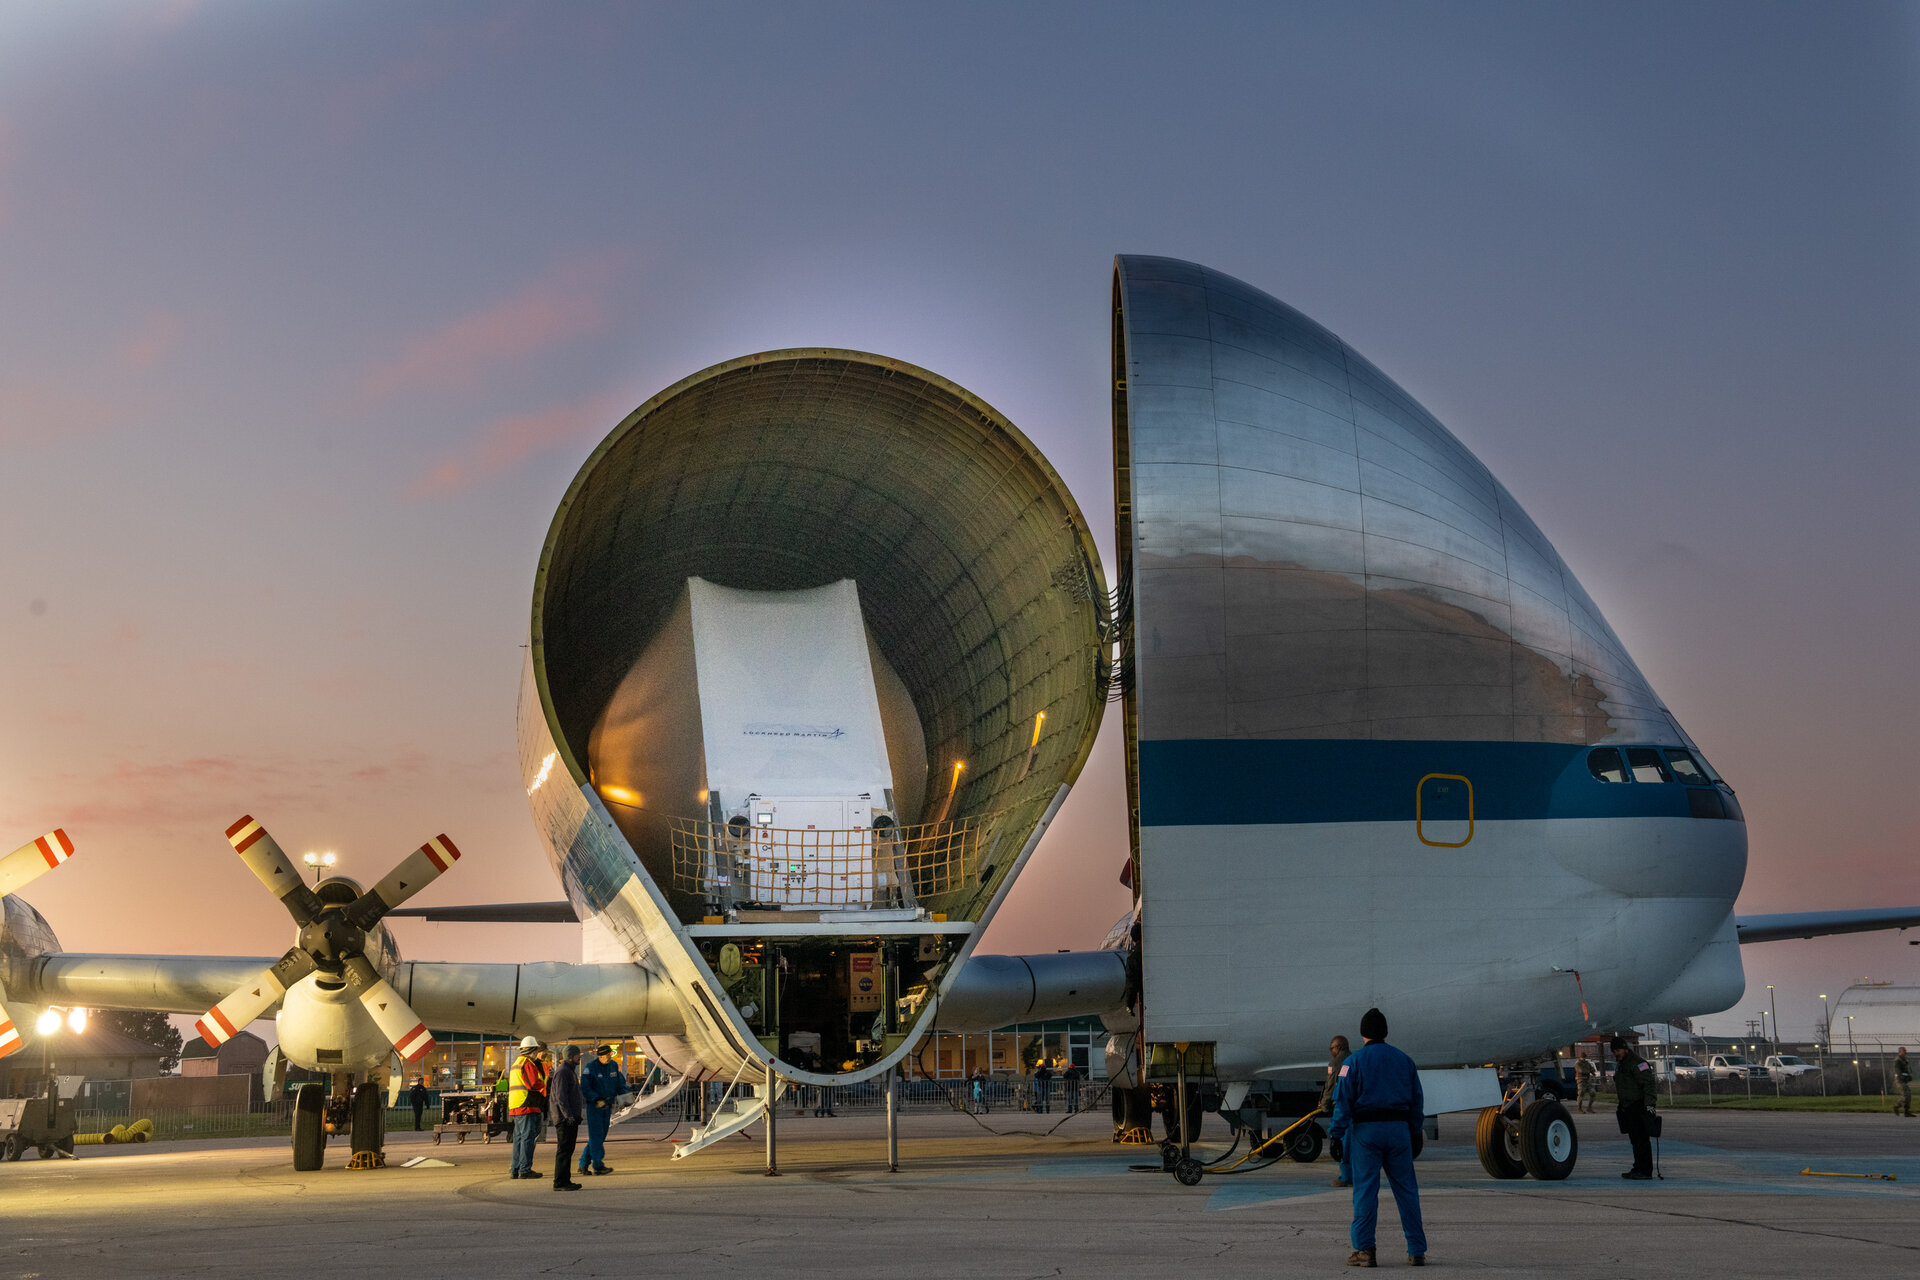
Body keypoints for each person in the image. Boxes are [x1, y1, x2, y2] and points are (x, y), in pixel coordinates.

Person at [1327, 1008, 1426, 1268]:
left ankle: (1365, 1250)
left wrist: (1336, 1135)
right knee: (1406, 1190)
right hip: (1399, 1131)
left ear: (1362, 1035)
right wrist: (1415, 1131)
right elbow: (1417, 1100)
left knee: (1365, 1191)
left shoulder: (1351, 1064)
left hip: (1366, 1133)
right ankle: (1416, 1250)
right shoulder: (1405, 1061)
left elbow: (1342, 1101)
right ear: (1385, 1032)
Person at [1611, 1034, 1658, 1179]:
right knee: (1634, 1140)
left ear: (1625, 1049)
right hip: (1628, 1106)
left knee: (1641, 1140)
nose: (1616, 1054)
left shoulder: (1638, 1063)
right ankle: (1638, 1167)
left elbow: (1649, 1085)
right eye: (1614, 1052)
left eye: (1617, 1051)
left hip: (1639, 1106)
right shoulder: (1623, 1064)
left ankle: (1645, 1170)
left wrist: (1650, 1106)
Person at [507, 1036, 550, 1180]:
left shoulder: (516, 1063)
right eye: (535, 1049)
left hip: (517, 1105)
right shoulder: (528, 1063)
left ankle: (515, 1168)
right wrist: (543, 1085)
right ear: (532, 1050)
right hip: (527, 1105)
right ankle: (525, 1169)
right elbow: (533, 1083)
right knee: (527, 1138)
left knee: (519, 1138)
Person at [578, 1044, 622, 1175]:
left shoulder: (613, 1066)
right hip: (595, 1107)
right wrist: (596, 1099)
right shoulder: (591, 1068)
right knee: (596, 1136)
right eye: (605, 1056)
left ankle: (583, 1164)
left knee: (599, 1136)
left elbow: (620, 1082)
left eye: (609, 1055)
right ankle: (598, 1165)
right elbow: (585, 1087)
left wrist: (625, 1096)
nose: (608, 1058)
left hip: (607, 1106)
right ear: (600, 1056)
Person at [1319, 1035, 1353, 1187]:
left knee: (1344, 1146)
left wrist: (1324, 1104)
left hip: (1343, 1107)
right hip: (1358, 1109)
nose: (1331, 1051)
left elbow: (1331, 1084)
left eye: (1331, 1048)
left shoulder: (1334, 1063)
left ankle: (1345, 1178)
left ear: (1338, 1048)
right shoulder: (1354, 1060)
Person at [549, 1046, 585, 1191]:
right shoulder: (563, 1072)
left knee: (568, 1150)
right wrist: (568, 1115)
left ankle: (565, 1180)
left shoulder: (568, 1071)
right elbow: (560, 1097)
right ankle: (559, 1182)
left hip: (569, 1117)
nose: (579, 1057)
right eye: (577, 1055)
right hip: (564, 1119)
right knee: (564, 1150)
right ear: (570, 1057)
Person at [1894, 1047, 1912, 1118]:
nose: (1905, 1052)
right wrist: (1902, 1076)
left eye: (1905, 1051)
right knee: (1905, 1095)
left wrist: (1909, 1076)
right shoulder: (1898, 1061)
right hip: (1900, 1080)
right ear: (1900, 1052)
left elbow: (1907, 1070)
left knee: (1908, 1095)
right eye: (1904, 1051)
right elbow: (1898, 1071)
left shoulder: (1905, 1060)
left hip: (1904, 1080)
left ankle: (1906, 1111)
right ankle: (1897, 1106)